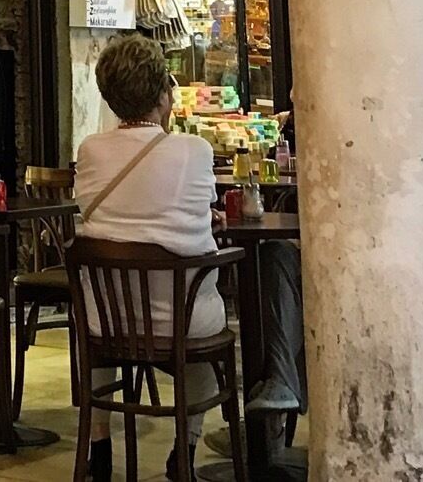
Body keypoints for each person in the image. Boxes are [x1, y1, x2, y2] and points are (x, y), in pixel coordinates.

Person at [74, 34, 305, 481]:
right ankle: (185, 450)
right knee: (201, 344)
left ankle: (99, 447)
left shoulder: (90, 151)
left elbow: (122, 217)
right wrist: (206, 226)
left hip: (107, 318)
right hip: (181, 317)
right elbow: (185, 223)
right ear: (164, 93)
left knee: (105, 334)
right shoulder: (193, 150)